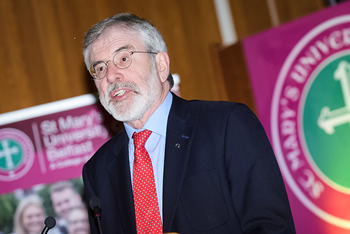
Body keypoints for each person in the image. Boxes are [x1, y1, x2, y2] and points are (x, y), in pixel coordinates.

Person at [82, 13, 296, 233]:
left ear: (161, 65)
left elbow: (272, 228)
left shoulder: (226, 126)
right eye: (99, 68)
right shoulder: (97, 171)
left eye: (124, 59)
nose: (111, 76)